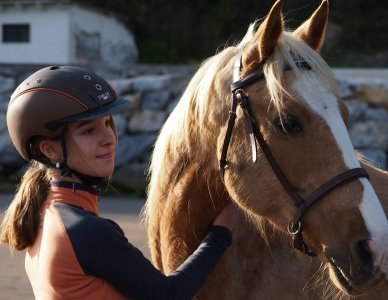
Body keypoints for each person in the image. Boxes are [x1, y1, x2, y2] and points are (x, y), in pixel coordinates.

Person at [0, 66, 237, 299]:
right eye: (88, 131)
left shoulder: (46, 212)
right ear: (51, 150)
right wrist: (221, 231)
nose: (109, 138)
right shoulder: (86, 230)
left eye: (107, 123)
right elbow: (169, 294)